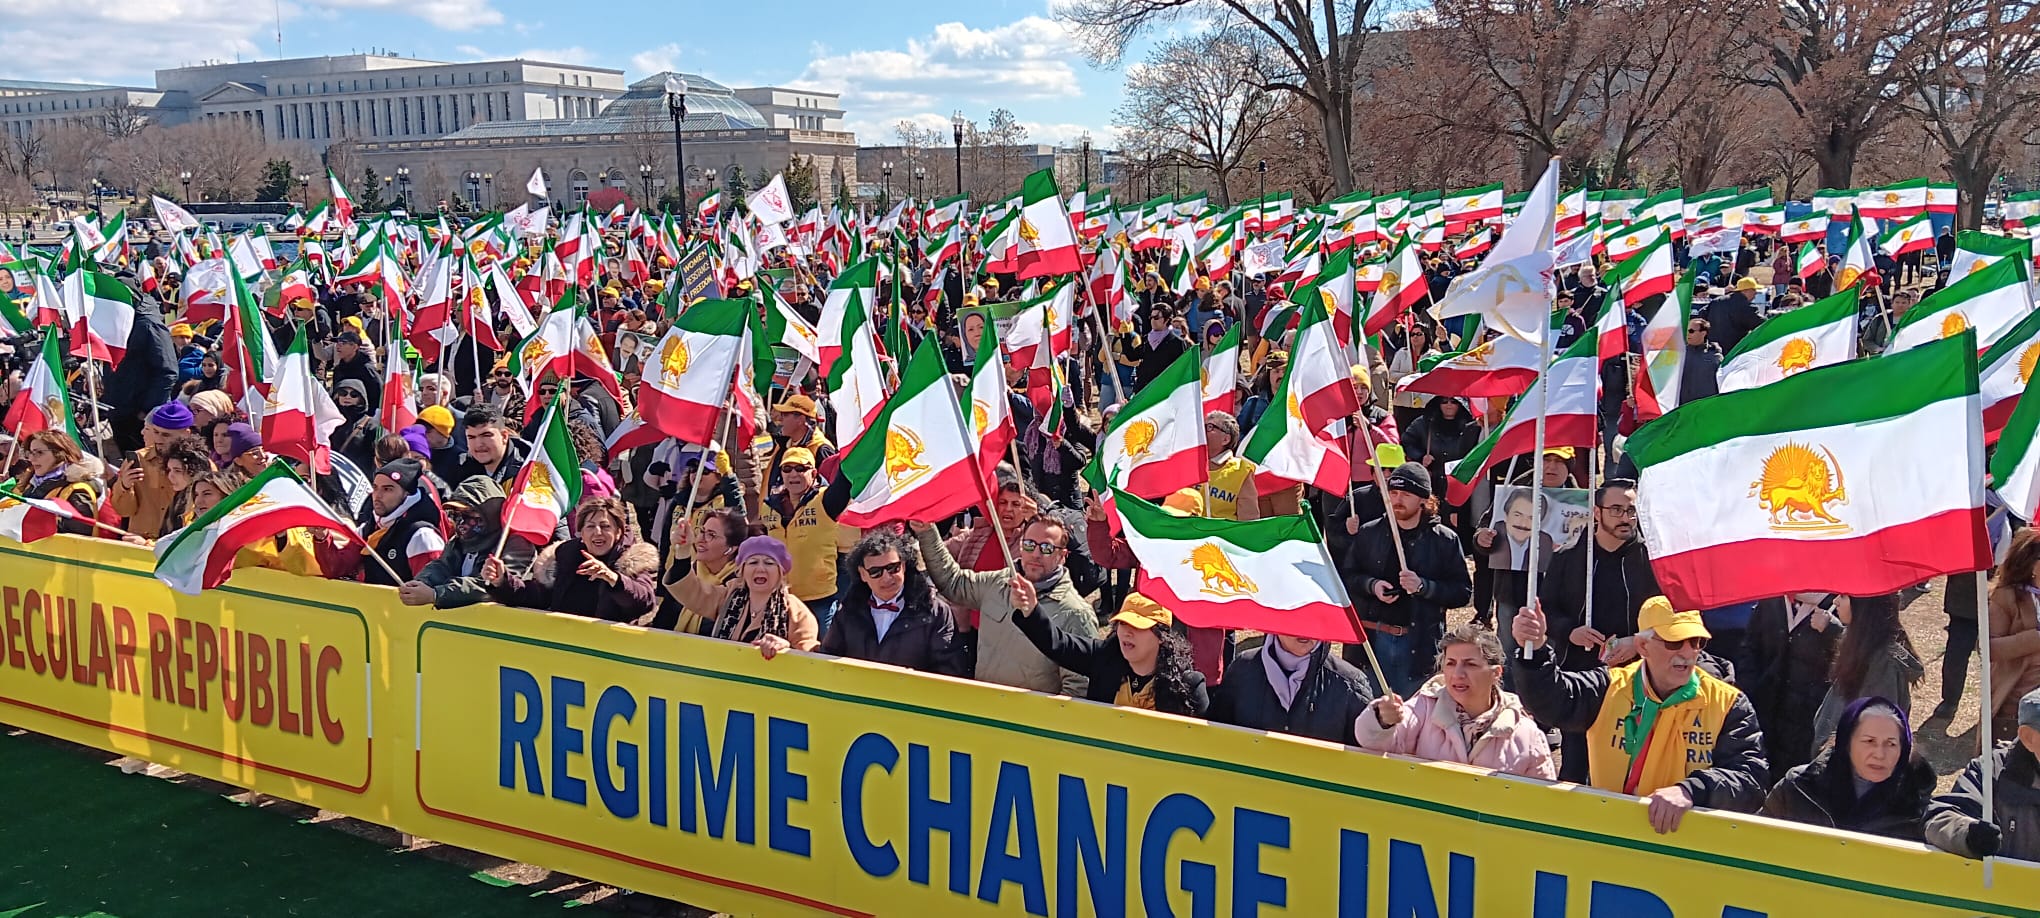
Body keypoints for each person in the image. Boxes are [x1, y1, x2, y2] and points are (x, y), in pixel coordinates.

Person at [1513, 596, 1769, 833]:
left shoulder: (1728, 703)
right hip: (1613, 835)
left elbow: (1751, 779)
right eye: (1674, 642)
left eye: (1696, 642)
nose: (1688, 652)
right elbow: (1551, 702)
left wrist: (1692, 791)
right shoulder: (1610, 687)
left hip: (1688, 847)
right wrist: (1535, 649)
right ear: (1643, 646)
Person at [913, 515, 1092, 697]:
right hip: (984, 708)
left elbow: (1078, 688)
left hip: (1028, 721)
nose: (1036, 554)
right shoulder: (997, 583)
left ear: (1062, 556)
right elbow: (954, 583)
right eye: (1029, 544)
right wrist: (927, 532)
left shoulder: (1075, 613)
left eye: (1046, 548)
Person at [1355, 623, 1556, 779]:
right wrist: (1382, 719)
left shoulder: (1527, 734)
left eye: (1470, 664)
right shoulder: (1423, 709)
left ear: (1496, 673)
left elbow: (1544, 804)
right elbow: (1371, 741)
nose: (1457, 674)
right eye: (1451, 663)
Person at [1345, 462, 1473, 695]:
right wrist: (1371, 586)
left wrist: (1424, 586)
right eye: (1393, 493)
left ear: (1424, 500)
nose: (1397, 500)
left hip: (1419, 645)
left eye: (1406, 494)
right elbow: (1349, 577)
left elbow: (1462, 592)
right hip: (1374, 643)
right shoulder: (1369, 532)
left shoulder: (1444, 540)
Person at [1762, 697, 1935, 841]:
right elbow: (1760, 836)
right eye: (1869, 741)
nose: (1880, 754)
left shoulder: (1916, 805)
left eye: (1891, 744)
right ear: (1846, 743)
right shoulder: (1800, 787)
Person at [1011, 590, 1208, 716]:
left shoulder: (1189, 685)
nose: (1127, 632)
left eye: (1138, 626)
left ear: (1161, 636)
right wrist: (1031, 610)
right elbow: (1058, 644)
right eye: (1122, 623)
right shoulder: (1104, 658)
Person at [483, 497, 658, 622]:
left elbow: (644, 601)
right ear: (581, 533)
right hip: (567, 647)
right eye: (590, 526)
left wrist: (612, 579)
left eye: (605, 526)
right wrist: (502, 581)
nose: (598, 532)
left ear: (619, 532)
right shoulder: (566, 555)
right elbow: (538, 596)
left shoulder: (634, 559)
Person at [818, 531, 966, 677]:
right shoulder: (848, 610)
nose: (887, 578)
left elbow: (949, 671)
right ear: (862, 574)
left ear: (904, 565)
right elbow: (830, 658)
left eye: (893, 568)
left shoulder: (935, 611)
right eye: (876, 572)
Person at [1926, 686, 2040, 861]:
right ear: (2028, 737)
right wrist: (1968, 835)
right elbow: (1938, 820)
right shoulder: (1992, 772)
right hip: (2006, 885)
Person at [1209, 628, 1375, 744]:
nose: (1305, 628)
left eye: (1314, 618)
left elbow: (1365, 757)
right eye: (1296, 616)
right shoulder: (1242, 668)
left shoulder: (1350, 683)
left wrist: (1382, 722)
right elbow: (1216, 736)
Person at [668, 534, 822, 656]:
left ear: (781, 572)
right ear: (742, 570)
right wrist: (682, 551)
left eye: (769, 563)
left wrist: (787, 648)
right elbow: (692, 592)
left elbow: (811, 656)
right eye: (753, 562)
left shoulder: (796, 612)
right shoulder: (728, 596)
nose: (760, 569)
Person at [397, 476, 536, 609]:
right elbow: (440, 567)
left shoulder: (516, 544)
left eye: (468, 513)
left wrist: (436, 595)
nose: (460, 520)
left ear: (489, 512)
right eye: (455, 513)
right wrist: (421, 583)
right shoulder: (458, 541)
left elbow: (490, 587)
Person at [1746, 592, 1845, 779]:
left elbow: (1861, 659)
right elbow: (1751, 645)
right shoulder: (1773, 598)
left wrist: (1833, 630)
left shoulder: (1841, 603)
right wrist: (1749, 689)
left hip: (1809, 725)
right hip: (1767, 716)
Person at [1812, 593, 1923, 753]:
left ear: (1864, 606)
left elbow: (1876, 732)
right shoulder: (1859, 643)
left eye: (1843, 596)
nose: (1835, 601)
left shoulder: (1882, 665)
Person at [759, 446, 853, 633]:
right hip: (781, 599)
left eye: (801, 468)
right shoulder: (768, 507)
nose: (793, 474)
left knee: (822, 653)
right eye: (787, 469)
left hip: (821, 600)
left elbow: (846, 478)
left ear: (814, 473)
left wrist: (854, 444)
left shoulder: (825, 501)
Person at [109, 402, 197, 539]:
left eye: (166, 435)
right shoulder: (138, 459)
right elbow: (123, 511)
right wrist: (125, 486)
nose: (158, 439)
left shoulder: (200, 465)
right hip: (138, 544)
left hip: (174, 545)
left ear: (185, 434)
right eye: (155, 432)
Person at [660, 506, 751, 634]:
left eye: (711, 535)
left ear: (732, 548)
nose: (700, 540)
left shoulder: (741, 584)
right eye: (702, 531)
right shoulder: (686, 572)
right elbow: (662, 622)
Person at [355, 458, 446, 586]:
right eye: (375, 487)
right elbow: (336, 567)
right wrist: (323, 537)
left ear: (406, 493)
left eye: (387, 489)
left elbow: (430, 590)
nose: (378, 495)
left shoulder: (422, 536)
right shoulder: (367, 529)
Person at [1989, 528, 2040, 736]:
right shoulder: (2007, 597)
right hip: (2016, 704)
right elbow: (1989, 647)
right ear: (2032, 565)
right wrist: (2035, 638)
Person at [20, 430, 105, 535]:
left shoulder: (78, 490)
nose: (31, 459)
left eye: (39, 452)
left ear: (59, 454)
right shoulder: (29, 483)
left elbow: (80, 536)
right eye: (30, 453)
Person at [765, 394, 835, 492]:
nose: (780, 420)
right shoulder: (784, 445)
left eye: (785, 415)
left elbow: (830, 490)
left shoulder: (821, 449)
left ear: (800, 420)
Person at [455, 405, 532, 484]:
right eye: (471, 437)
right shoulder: (461, 468)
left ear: (504, 436)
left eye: (486, 435)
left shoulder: (530, 468)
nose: (479, 444)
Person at [1707, 277, 1764, 353]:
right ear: (1745, 291)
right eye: (1754, 290)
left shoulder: (1717, 301)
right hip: (1734, 351)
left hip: (1713, 349)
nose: (1756, 293)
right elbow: (1761, 324)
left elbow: (1702, 316)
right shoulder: (1746, 307)